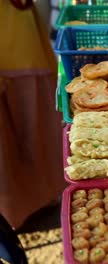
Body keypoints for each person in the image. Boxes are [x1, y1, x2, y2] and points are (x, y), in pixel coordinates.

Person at [0, 0, 66, 228]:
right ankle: (15, 214)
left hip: (20, 47)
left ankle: (35, 205)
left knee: (34, 130)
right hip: (19, 54)